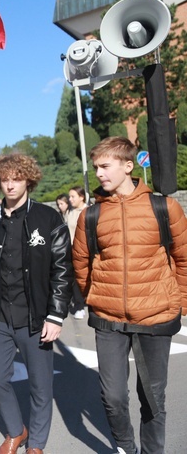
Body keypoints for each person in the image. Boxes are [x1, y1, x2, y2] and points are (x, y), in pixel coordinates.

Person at [72, 137, 187, 454]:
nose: (99, 173)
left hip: (156, 315)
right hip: (108, 318)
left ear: (127, 166)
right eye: (96, 167)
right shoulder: (90, 216)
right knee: (113, 396)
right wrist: (94, 296)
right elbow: (80, 264)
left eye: (105, 166)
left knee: (153, 396)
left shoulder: (164, 207)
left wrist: (180, 303)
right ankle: (126, 447)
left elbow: (184, 257)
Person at [0, 154, 73, 454]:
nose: (10, 184)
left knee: (41, 386)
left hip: (36, 316)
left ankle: (36, 445)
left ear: (29, 180)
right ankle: (17, 431)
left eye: (17, 178)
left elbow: (62, 269)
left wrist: (55, 315)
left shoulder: (48, 218)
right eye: (5, 179)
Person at [66, 186, 87, 320]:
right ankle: (79, 305)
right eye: (69, 196)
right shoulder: (70, 212)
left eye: (73, 196)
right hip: (72, 250)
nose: (70, 199)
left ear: (81, 197)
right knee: (74, 280)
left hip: (85, 251)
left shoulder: (87, 210)